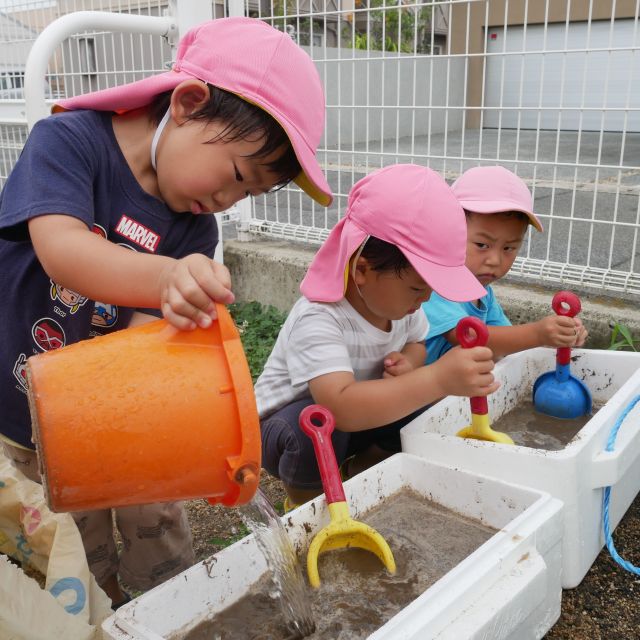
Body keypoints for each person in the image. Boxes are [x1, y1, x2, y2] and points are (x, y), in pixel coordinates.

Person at [0, 17, 332, 608]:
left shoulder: (193, 227)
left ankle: (174, 608)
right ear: (187, 102)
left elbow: (146, 340)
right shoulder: (71, 142)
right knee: (71, 554)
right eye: (235, 175)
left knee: (162, 533)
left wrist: (175, 316)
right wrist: (165, 278)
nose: (230, 201)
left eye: (250, 195)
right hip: (17, 408)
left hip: (111, 416)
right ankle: (99, 614)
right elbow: (62, 251)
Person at [254, 164, 499, 509]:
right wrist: (438, 377)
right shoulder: (319, 316)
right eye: (417, 286)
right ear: (363, 269)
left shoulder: (403, 308)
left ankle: (362, 476)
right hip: (289, 426)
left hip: (353, 420)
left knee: (419, 403)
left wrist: (412, 362)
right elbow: (340, 405)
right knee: (313, 426)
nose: (425, 299)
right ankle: (308, 507)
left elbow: (417, 342)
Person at [422, 165, 588, 365]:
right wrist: (538, 334)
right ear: (448, 230)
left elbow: (507, 342)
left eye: (509, 248)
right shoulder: (433, 285)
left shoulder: (482, 293)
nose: (495, 260)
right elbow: (467, 334)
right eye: (482, 245)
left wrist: (558, 336)